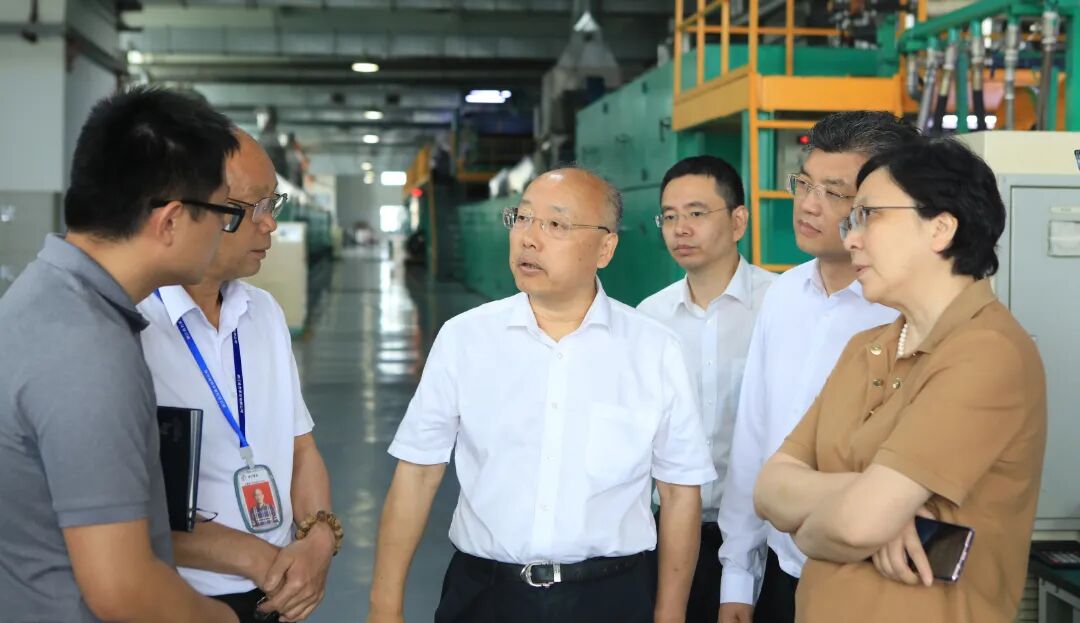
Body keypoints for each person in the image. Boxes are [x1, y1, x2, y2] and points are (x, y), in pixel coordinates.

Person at [367, 168, 716, 623]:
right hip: (485, 598)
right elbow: (418, 473)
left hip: (611, 598)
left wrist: (670, 614)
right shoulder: (465, 339)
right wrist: (384, 605)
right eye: (523, 218)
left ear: (605, 248)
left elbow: (680, 493)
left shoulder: (653, 350)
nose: (529, 239)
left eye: (556, 224)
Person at [753, 137, 1046, 623]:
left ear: (941, 228)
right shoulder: (865, 348)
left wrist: (809, 530)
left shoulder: (988, 352)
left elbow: (857, 524)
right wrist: (864, 496)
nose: (851, 238)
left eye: (869, 215)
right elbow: (769, 488)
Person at [0, 87, 242, 622]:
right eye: (223, 213)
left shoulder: (40, 298)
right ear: (171, 221)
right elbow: (122, 589)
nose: (226, 231)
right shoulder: (87, 351)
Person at [716, 111, 918, 623]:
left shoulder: (904, 314)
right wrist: (737, 576)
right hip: (783, 573)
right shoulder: (784, 295)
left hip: (872, 585)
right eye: (804, 183)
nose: (808, 204)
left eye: (834, 192)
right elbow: (753, 439)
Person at [138, 129, 337, 623]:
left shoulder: (263, 313)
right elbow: (123, 513)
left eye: (274, 203)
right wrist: (256, 558)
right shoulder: (133, 327)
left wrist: (317, 539)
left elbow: (301, 448)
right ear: (190, 212)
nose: (271, 223)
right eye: (256, 207)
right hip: (181, 601)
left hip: (276, 592)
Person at [637, 155, 776, 623]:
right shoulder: (649, 319)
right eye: (669, 216)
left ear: (738, 221)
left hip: (767, 534)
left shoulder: (779, 307)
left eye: (696, 213)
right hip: (671, 531)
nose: (681, 229)